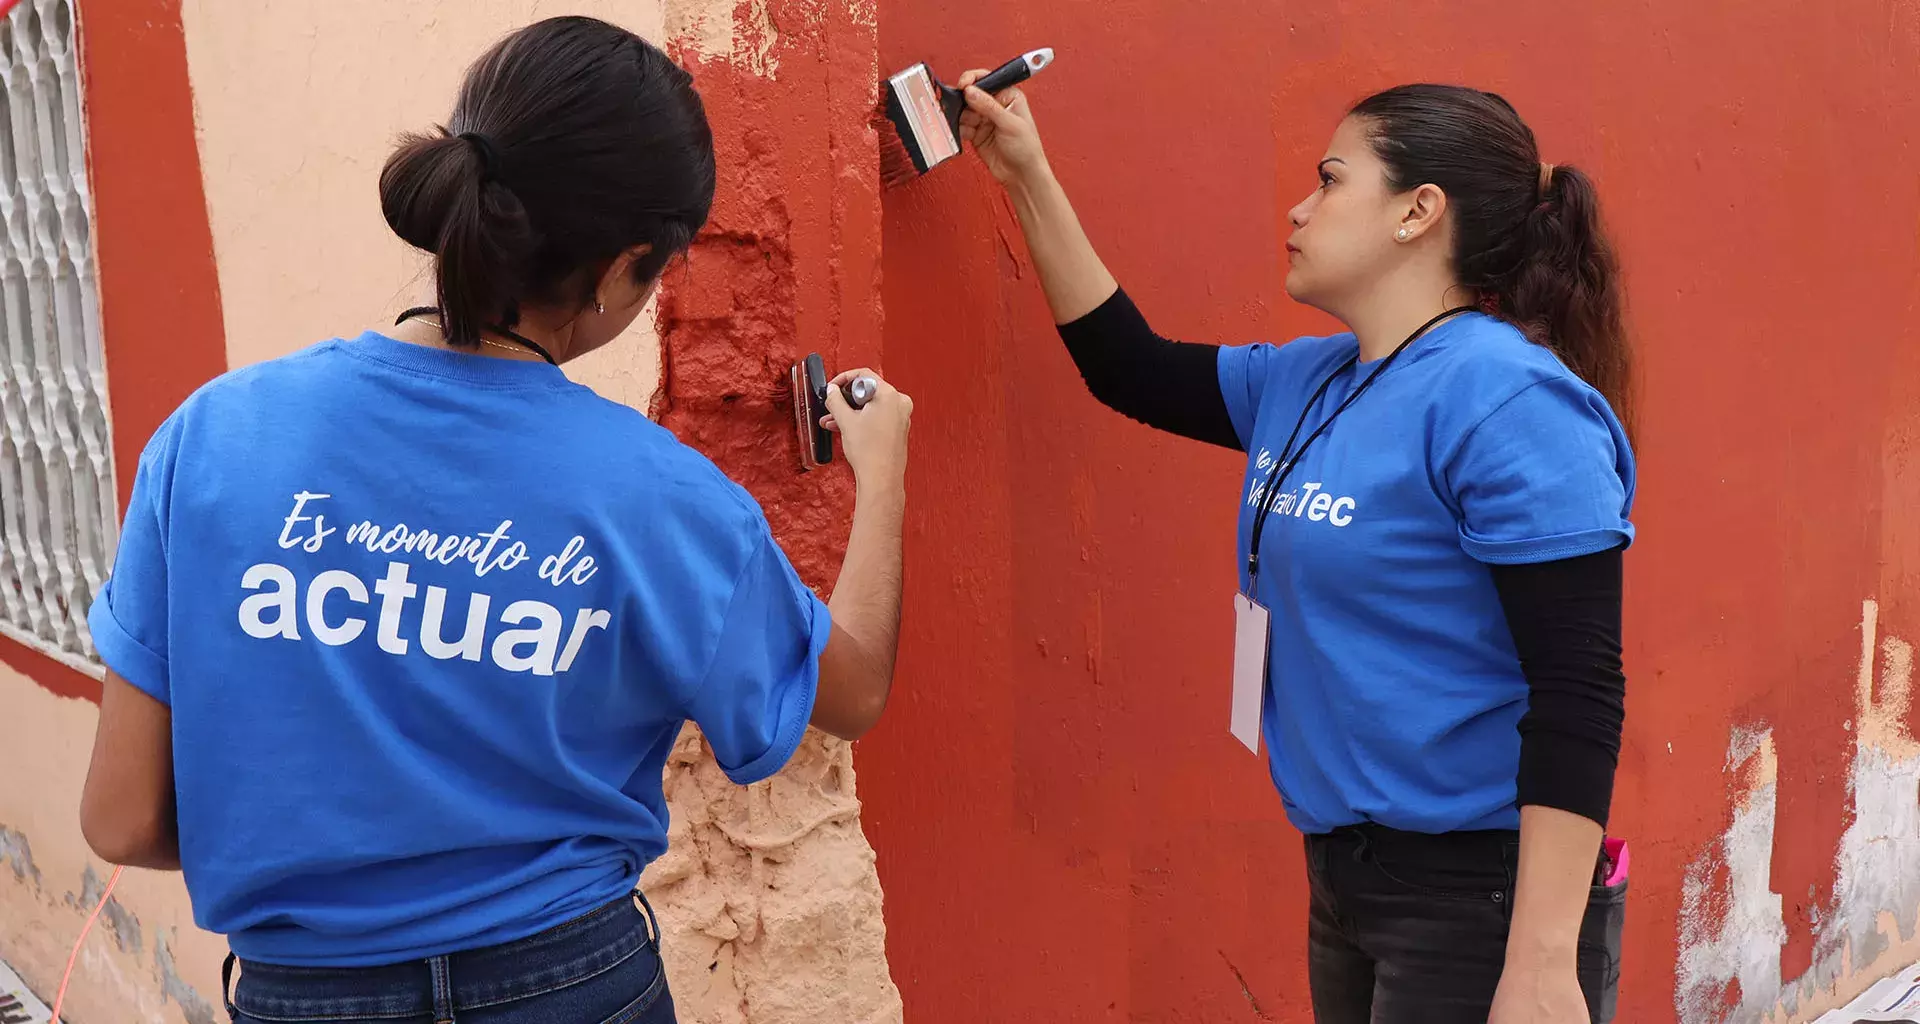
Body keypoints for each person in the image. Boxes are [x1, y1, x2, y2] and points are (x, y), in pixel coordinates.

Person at [77, 17, 912, 1024]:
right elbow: (852, 691)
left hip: (305, 994)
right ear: (622, 267)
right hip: (571, 985)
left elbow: (122, 818)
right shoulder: (664, 497)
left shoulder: (210, 440)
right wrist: (886, 466)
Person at [960, 76, 1633, 1023]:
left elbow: (1579, 687)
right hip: (1347, 873)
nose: (1299, 206)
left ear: (1417, 212)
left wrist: (1538, 964)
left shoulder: (1509, 402)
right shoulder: (1314, 380)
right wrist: (1025, 173)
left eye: (1330, 179)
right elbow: (1129, 369)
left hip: (1482, 895)